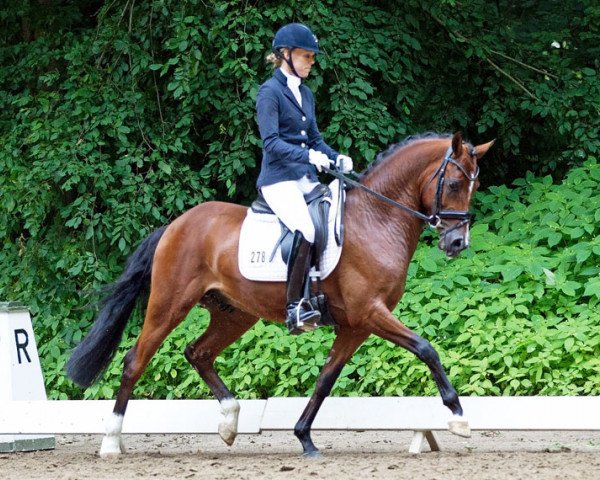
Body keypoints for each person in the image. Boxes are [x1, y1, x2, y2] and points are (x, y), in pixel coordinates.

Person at [255, 23, 353, 335]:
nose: (311, 61)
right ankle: (295, 306)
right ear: (285, 55)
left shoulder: (306, 94)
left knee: (335, 214)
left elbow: (314, 139)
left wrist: (335, 156)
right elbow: (271, 143)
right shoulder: (269, 93)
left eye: (312, 57)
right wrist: (309, 157)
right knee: (306, 227)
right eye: (306, 56)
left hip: (303, 178)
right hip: (278, 179)